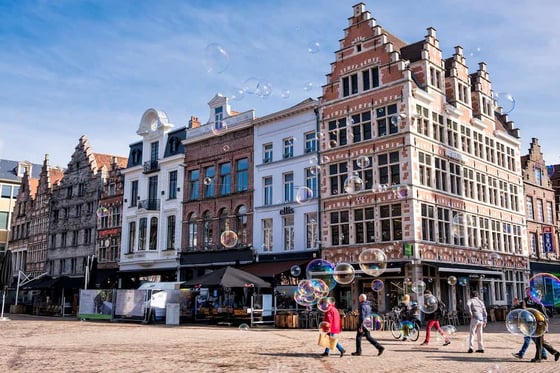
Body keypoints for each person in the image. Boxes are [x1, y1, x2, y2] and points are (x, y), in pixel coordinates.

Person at [523, 289, 560, 363]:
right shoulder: (532, 304)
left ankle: (538, 358)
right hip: (535, 324)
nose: (529, 295)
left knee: (539, 342)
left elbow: (545, 317)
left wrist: (546, 327)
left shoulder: (540, 304)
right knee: (541, 341)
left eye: (529, 293)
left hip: (541, 324)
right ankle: (555, 352)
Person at [511, 295, 546, 360]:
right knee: (535, 340)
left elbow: (542, 315)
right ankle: (544, 354)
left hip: (530, 324)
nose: (523, 303)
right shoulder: (524, 302)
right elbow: (515, 311)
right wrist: (516, 304)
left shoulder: (536, 304)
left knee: (530, 339)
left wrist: (545, 326)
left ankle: (521, 354)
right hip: (526, 324)